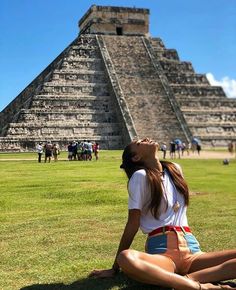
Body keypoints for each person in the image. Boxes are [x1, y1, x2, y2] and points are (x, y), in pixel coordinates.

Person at [90, 138, 236, 290]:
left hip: (192, 250)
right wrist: (115, 267)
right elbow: (133, 223)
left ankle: (188, 280)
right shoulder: (140, 176)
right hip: (163, 254)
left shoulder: (175, 170)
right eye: (139, 143)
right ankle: (204, 287)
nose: (145, 139)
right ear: (136, 157)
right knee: (125, 258)